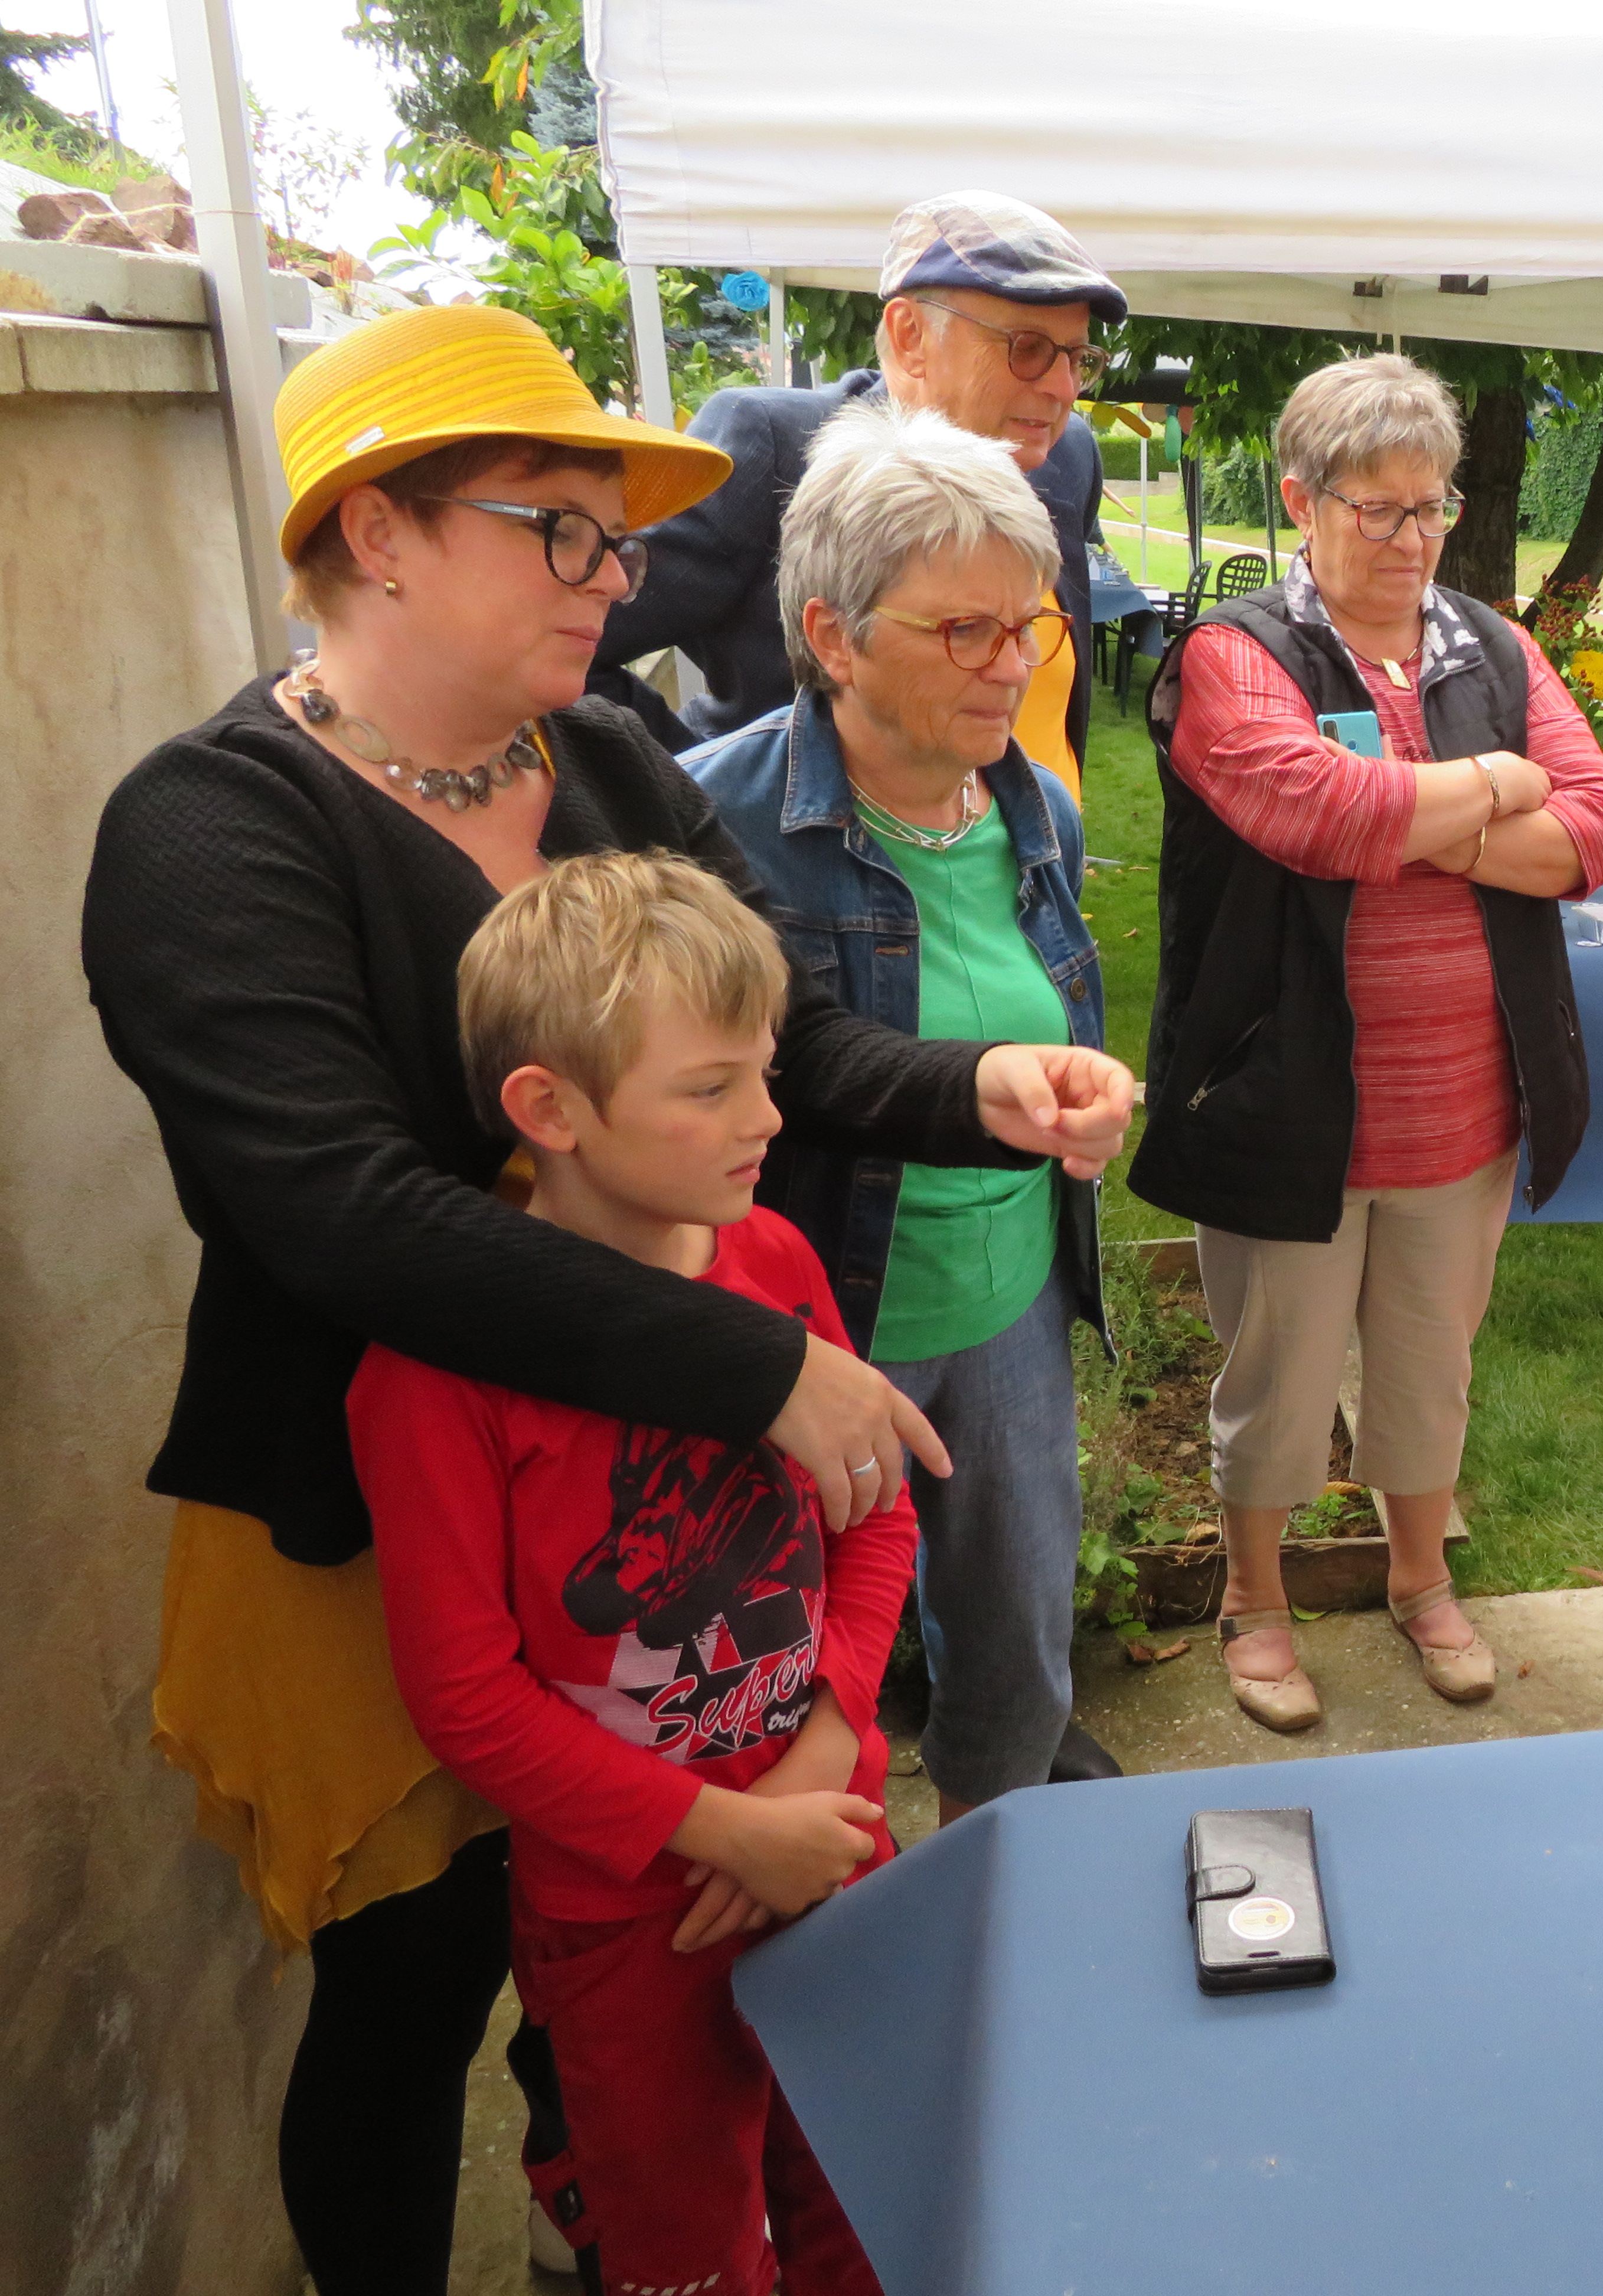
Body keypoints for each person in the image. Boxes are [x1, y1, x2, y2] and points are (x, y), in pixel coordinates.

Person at [77, 302, 1133, 2292]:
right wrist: (764, 1368)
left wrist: (977, 1088)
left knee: (642, 1945)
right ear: (377, 532)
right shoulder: (212, 829)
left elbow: (784, 1038)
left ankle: (615, 2211)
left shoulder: (611, 754)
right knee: (413, 1987)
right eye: (557, 526)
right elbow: (347, 1217)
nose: (616, 576)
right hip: (374, 1526)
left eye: (617, 535)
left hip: (654, 1520)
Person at [355, 854, 907, 2296]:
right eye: (710, 1087)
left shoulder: (775, 1258)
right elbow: (467, 1698)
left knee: (869, 2187)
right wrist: (715, 1831)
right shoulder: (433, 1381)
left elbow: (878, 1521)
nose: (768, 1118)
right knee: (685, 2244)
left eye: (765, 1071)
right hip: (627, 1917)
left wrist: (823, 1753)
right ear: (551, 1110)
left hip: (833, 1831)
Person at [1137, 353, 1603, 1731]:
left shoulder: (1491, 647)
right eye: (1380, 510)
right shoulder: (1236, 654)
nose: (1415, 540)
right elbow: (1313, 811)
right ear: (1302, 500)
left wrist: (1417, 822)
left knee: (1428, 1371)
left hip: (1459, 1108)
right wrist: (1497, 786)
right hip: (1284, 1099)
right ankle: (1255, 1599)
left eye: (1433, 507)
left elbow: (1598, 830)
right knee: (1278, 1383)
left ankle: (1423, 1581)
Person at [691, 400, 1108, 1815]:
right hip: (820, 1325)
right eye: (964, 631)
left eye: (1029, 625)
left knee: (1018, 1661)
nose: (1013, 667)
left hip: (1009, 1308)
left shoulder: (1037, 812)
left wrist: (1083, 1094)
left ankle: (1000, 1866)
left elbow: (1042, 1019)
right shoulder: (714, 824)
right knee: (791, 1682)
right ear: (832, 635)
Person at [594, 190, 1122, 791]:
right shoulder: (777, 450)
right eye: (1028, 349)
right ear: (911, 336)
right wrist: (702, 796)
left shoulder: (1068, 455)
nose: (1063, 387)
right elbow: (568, 641)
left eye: (1078, 357)